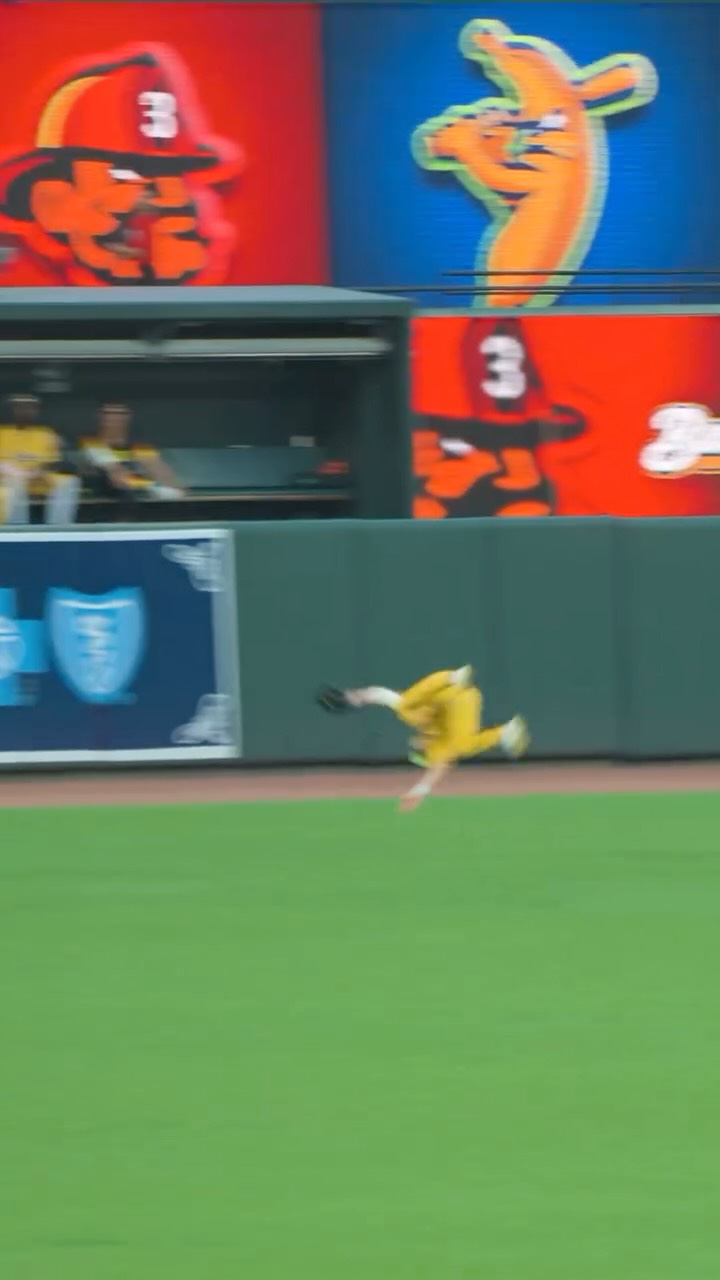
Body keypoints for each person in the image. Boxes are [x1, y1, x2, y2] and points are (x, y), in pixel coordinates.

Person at [317, 665, 529, 811]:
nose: (416, 744)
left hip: (448, 687)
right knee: (462, 745)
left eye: (415, 748)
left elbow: (379, 694)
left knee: (407, 704)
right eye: (420, 751)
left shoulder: (412, 718)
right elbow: (438, 768)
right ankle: (505, 732)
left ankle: (452, 676)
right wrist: (418, 792)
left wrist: (352, 697)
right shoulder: (441, 747)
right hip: (463, 701)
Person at [79, 403, 185, 501]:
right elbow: (115, 473)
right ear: (99, 416)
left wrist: (176, 490)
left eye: (119, 414)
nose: (112, 417)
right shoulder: (91, 441)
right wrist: (151, 486)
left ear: (127, 416)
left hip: (133, 500)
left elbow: (157, 467)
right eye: (107, 413)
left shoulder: (138, 443)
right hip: (98, 500)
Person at [0, 394, 79, 525]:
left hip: (40, 478)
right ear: (13, 409)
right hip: (8, 480)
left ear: (36, 410)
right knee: (13, 481)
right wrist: (17, 472)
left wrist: (42, 470)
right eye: (20, 407)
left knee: (69, 482)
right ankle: (17, 530)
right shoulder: (2, 432)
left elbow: (55, 461)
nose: (24, 411)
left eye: (29, 407)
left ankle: (59, 529)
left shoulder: (47, 433)